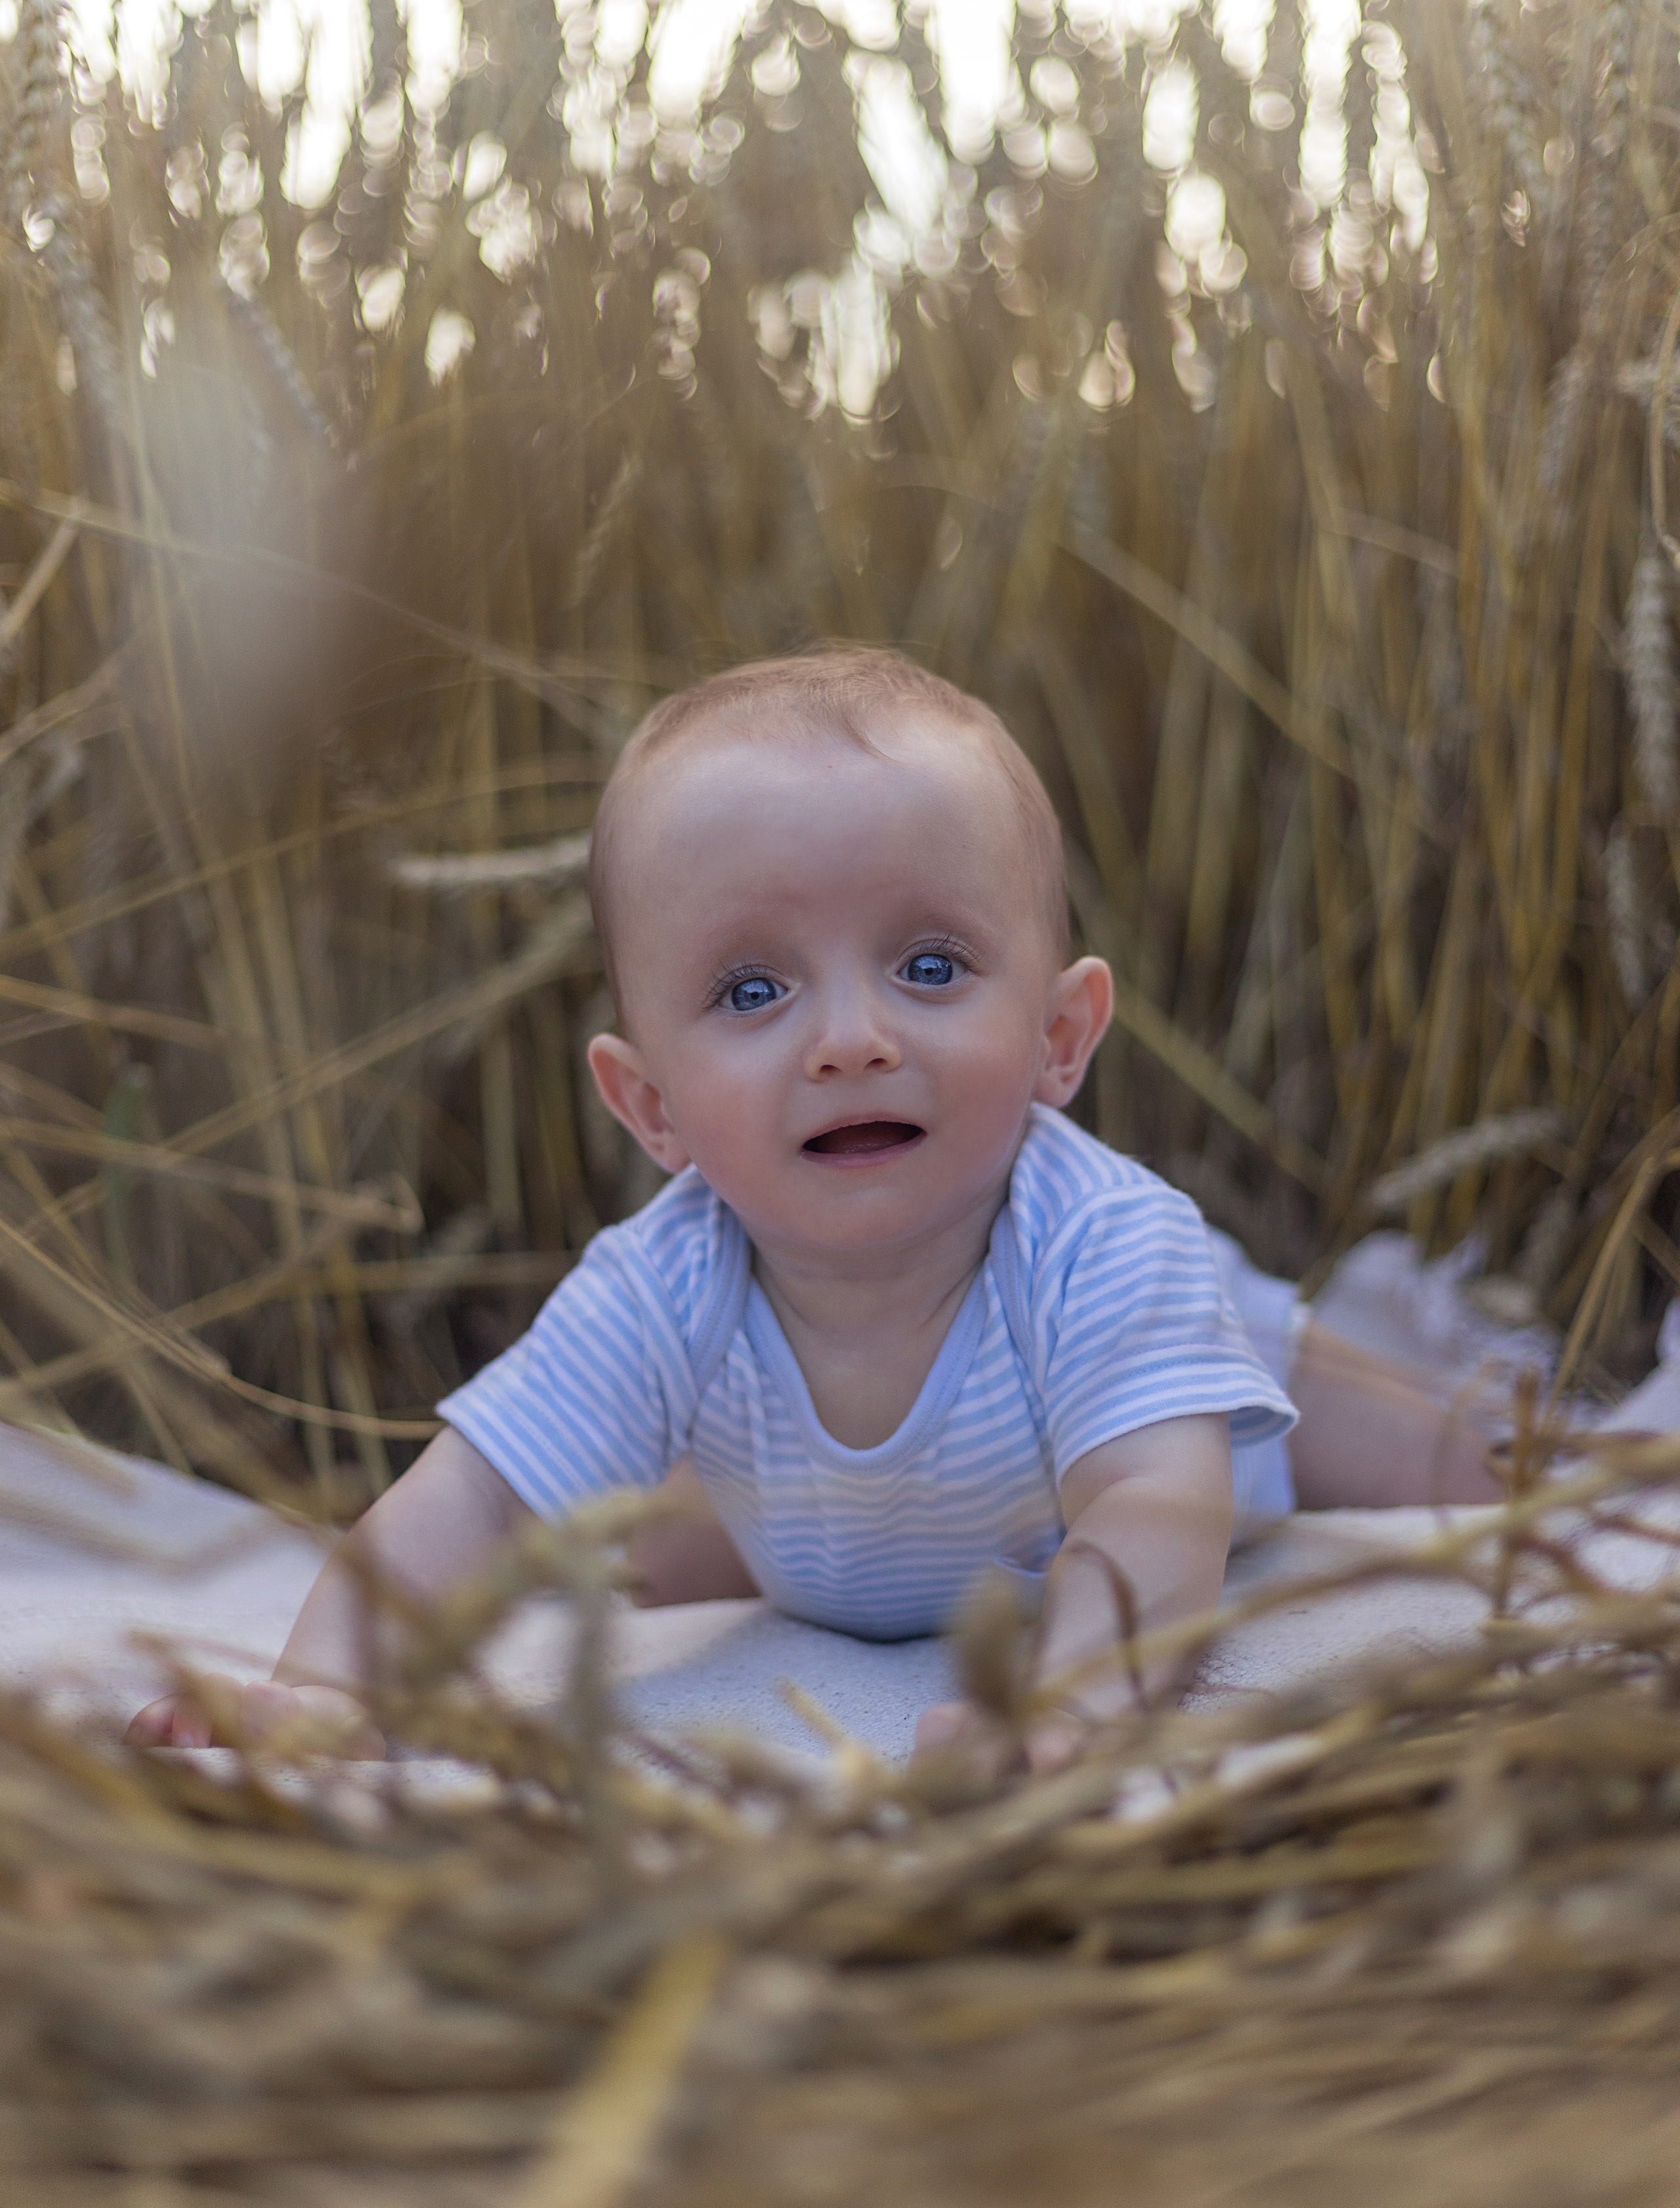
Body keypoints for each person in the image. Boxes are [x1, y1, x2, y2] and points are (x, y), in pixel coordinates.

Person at [127, 647, 1508, 1770]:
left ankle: (1461, 1385)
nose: (850, 1039)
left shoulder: (1105, 1241)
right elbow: (472, 1496)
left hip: (1182, 1374)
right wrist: (324, 1693)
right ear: (651, 1107)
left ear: (1058, 1037)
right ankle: (830, 1519)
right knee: (634, 1549)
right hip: (838, 1510)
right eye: (751, 990)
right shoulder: (660, 1282)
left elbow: (1156, 1504)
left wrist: (1074, 1702)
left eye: (929, 965)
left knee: (1471, 1471)